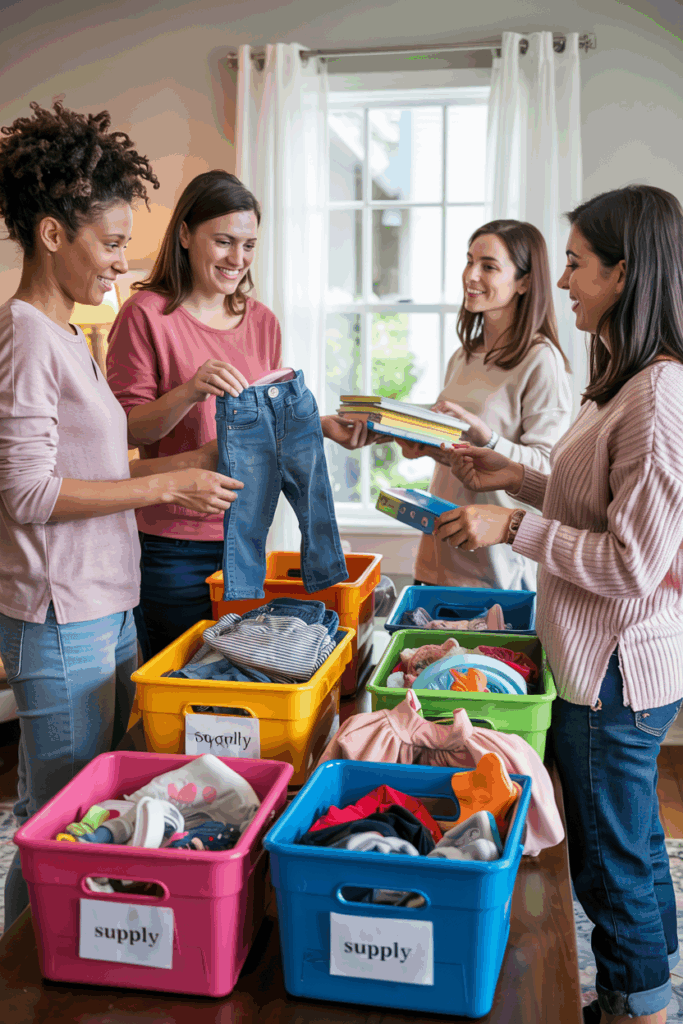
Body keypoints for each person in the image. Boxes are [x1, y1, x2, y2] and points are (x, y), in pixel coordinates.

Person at [437, 184, 683, 1024]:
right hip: (601, 658)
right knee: (633, 839)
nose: (564, 281)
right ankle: (648, 975)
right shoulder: (619, 380)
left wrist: (513, 524)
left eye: (576, 265)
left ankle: (639, 1006)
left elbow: (630, 563)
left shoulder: (656, 398)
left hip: (611, 670)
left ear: (625, 272)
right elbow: (590, 501)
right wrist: (521, 479)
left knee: (609, 855)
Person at [0, 102, 243, 929]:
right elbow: (29, 493)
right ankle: (23, 979)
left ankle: (64, 968)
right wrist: (167, 490)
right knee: (56, 823)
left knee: (86, 817)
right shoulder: (28, 337)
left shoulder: (71, 336)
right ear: (50, 234)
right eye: (108, 243)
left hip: (106, 604)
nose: (119, 263)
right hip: (60, 612)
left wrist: (200, 463)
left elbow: (105, 466)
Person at [106, 169, 374, 660]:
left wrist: (324, 429)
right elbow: (124, 429)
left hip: (250, 537)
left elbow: (265, 427)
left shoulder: (262, 321)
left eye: (248, 245)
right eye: (224, 241)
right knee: (185, 685)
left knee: (244, 684)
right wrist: (189, 391)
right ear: (185, 234)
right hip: (172, 545)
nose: (237, 259)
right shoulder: (144, 314)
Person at [398, 219, 572, 591]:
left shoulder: (541, 360)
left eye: (489, 266)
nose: (470, 275)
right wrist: (426, 445)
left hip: (497, 573)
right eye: (469, 260)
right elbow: (464, 455)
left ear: (524, 282)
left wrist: (488, 438)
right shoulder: (464, 356)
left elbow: (549, 472)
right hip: (437, 559)